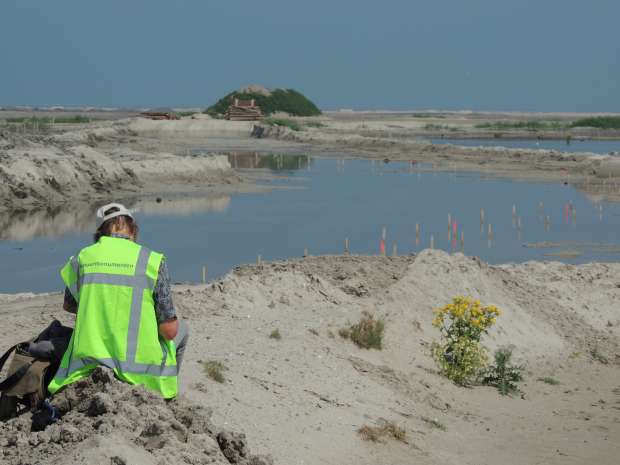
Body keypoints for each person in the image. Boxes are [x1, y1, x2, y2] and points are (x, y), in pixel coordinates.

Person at [48, 203, 189, 399]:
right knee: (183, 330)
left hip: (88, 364)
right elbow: (169, 331)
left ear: (99, 233)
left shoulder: (83, 258)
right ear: (133, 229)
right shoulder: (152, 261)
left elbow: (69, 305)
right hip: (142, 375)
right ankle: (166, 400)